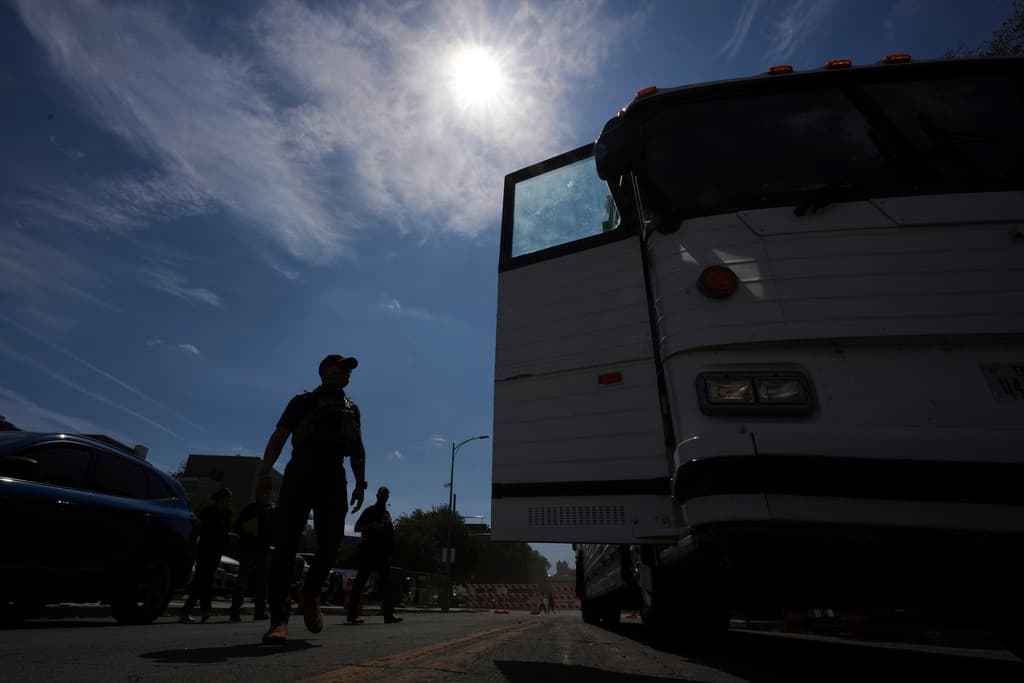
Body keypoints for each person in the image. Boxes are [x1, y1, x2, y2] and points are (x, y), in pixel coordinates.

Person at [257, 354, 367, 645]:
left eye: (347, 369)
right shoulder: (301, 401)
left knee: (331, 543)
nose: (343, 372)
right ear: (323, 371)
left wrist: (360, 483)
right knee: (285, 546)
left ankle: (310, 593)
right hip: (301, 471)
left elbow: (357, 447)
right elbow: (279, 436)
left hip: (334, 474)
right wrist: (264, 473)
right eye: (338, 366)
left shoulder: (352, 408)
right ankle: (279, 620)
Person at [346, 486, 402, 624]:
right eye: (383, 494)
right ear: (377, 496)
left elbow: (390, 533)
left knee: (387, 584)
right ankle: (352, 615)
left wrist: (391, 549)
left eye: (387, 495)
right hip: (369, 551)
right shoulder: (369, 511)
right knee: (360, 582)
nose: (385, 497)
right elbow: (357, 527)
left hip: (383, 553)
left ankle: (389, 615)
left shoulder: (387, 514)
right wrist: (372, 525)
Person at [180, 487, 233, 623]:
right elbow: (200, 526)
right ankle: (197, 610)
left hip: (217, 551)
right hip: (205, 549)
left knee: (206, 580)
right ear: (221, 498)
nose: (229, 500)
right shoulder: (209, 511)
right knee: (201, 579)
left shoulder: (227, 514)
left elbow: (226, 533)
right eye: (228, 497)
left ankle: (201, 610)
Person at [229, 490, 275, 622]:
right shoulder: (249, 509)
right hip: (248, 549)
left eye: (267, 494)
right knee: (242, 581)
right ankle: (235, 611)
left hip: (264, 550)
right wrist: (246, 531)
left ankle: (259, 611)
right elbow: (237, 526)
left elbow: (275, 530)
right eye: (263, 493)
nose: (266, 496)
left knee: (263, 582)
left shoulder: (271, 511)